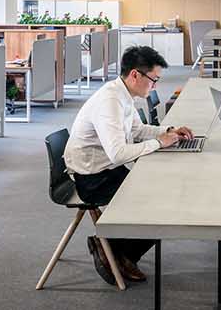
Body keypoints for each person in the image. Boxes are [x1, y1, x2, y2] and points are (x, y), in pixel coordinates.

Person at [64, 46, 195, 286]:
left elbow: (136, 130)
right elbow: (117, 154)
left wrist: (168, 131)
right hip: (92, 177)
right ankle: (115, 251)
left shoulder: (123, 94)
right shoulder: (110, 101)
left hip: (105, 168)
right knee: (162, 201)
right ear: (135, 75)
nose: (154, 86)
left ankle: (115, 249)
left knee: (164, 191)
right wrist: (158, 143)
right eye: (153, 80)